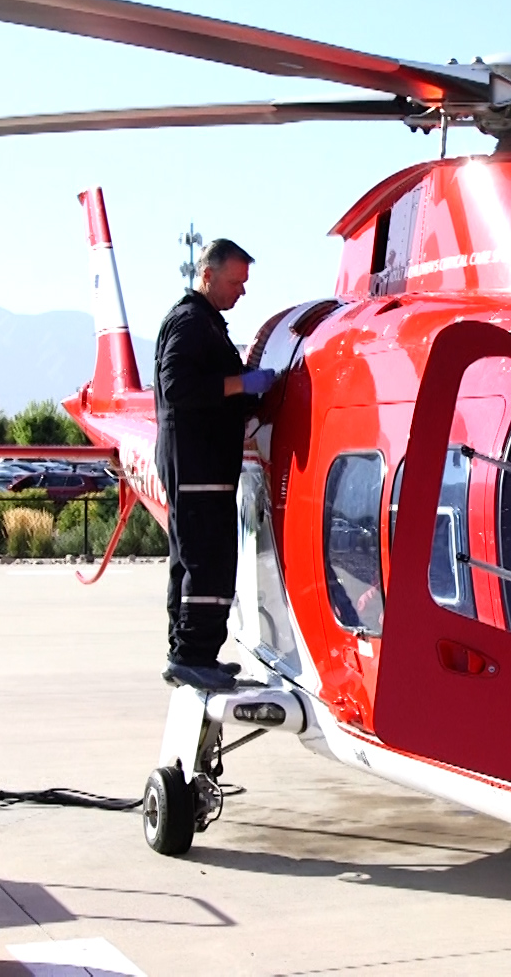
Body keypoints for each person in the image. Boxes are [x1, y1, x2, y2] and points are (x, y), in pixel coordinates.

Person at [155, 238, 277, 691]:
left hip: (200, 462)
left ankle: (191, 651)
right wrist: (240, 383)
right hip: (197, 463)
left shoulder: (206, 324)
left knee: (192, 559)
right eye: (235, 282)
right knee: (207, 558)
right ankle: (191, 653)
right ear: (207, 276)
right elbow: (179, 386)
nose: (241, 293)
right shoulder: (190, 324)